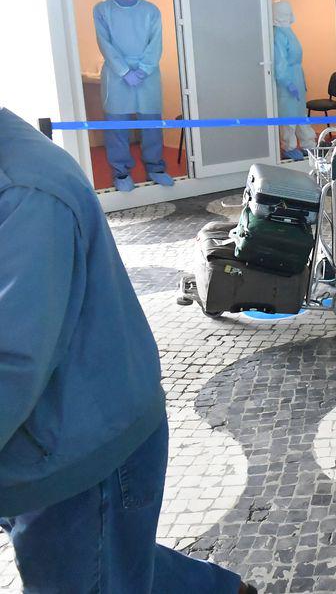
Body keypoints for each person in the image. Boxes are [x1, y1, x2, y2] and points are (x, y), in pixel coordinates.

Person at [0, 108, 253, 593]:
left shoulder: (24, 192)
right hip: (59, 438)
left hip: (79, 451)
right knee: (113, 556)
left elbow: (11, 364)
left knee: (98, 560)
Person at [93, 0, 174, 192]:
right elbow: (105, 43)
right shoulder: (102, 10)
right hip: (117, 76)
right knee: (117, 127)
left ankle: (156, 168)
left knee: (151, 124)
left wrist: (145, 69)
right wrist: (123, 71)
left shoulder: (150, 10)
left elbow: (156, 42)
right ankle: (120, 172)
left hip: (146, 75)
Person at [272, 0, 316, 161]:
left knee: (300, 115)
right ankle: (289, 147)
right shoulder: (278, 35)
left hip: (296, 79)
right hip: (287, 84)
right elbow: (280, 65)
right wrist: (288, 83)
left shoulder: (288, 31)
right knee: (288, 117)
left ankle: (308, 144)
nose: (287, 15)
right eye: (284, 12)